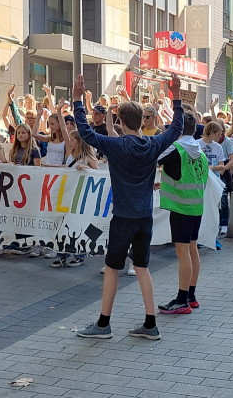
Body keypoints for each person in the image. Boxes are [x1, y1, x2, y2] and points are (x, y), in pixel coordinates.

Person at [72, 72, 184, 340]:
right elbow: (177, 128)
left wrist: (78, 101)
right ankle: (150, 323)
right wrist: (176, 95)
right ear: (140, 121)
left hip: (123, 216)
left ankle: (103, 324)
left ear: (120, 121)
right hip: (145, 215)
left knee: (113, 267)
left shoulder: (116, 145)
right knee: (142, 267)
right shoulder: (153, 143)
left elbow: (85, 132)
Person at [154, 109, 208, 316]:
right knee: (192, 249)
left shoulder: (175, 148)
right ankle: (191, 295)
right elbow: (189, 177)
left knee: (182, 252)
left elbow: (154, 160)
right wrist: (165, 185)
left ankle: (181, 299)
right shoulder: (199, 150)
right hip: (196, 206)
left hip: (181, 207)